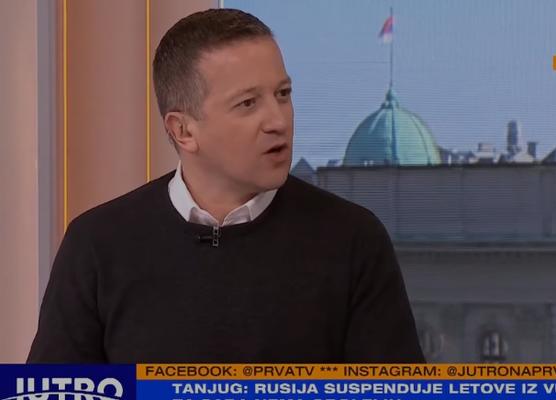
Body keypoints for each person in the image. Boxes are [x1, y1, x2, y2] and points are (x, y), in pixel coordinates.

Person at [28, 8, 424, 363]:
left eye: (283, 94)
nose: (279, 121)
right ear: (183, 131)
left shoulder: (352, 239)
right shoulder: (97, 245)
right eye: (248, 103)